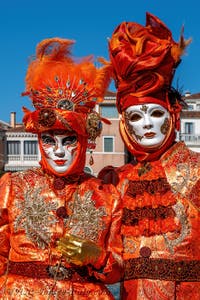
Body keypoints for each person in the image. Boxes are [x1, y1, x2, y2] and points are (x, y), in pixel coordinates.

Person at [0, 37, 123, 299]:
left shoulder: (107, 195)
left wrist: (97, 257)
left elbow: (118, 271)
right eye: (48, 140)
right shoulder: (12, 187)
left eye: (68, 141)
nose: (58, 150)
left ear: (84, 141)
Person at [98, 12, 200, 299]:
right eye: (135, 116)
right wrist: (97, 256)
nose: (146, 124)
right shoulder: (115, 182)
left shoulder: (197, 170)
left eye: (155, 113)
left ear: (173, 115)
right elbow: (115, 266)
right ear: (125, 124)